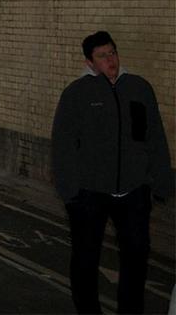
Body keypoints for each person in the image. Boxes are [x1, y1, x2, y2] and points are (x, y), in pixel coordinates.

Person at [51, 31, 172, 314]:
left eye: (113, 52)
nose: (111, 60)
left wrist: (161, 181)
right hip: (90, 193)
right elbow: (63, 144)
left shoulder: (139, 88)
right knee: (86, 259)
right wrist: (70, 192)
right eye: (103, 56)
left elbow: (154, 136)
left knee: (137, 257)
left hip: (133, 191)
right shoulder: (77, 94)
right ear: (90, 62)